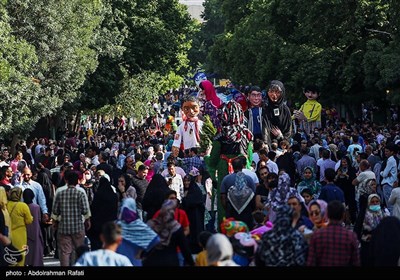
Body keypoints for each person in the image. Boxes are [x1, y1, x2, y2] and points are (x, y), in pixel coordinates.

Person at [307, 200, 360, 266]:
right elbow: (356, 262)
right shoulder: (351, 236)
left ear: (327, 214)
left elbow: (311, 262)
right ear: (343, 215)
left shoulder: (317, 235)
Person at [261, 80, 292, 148]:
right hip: (267, 146)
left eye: (277, 92)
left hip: (283, 146)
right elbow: (265, 127)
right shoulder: (265, 108)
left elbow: (289, 130)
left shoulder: (285, 110)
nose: (274, 95)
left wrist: (281, 137)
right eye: (271, 92)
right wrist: (265, 143)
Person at [7, 188, 33, 266]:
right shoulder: (23, 206)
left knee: (10, 256)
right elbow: (28, 221)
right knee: (21, 255)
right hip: (20, 233)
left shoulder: (6, 204)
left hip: (8, 234)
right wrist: (32, 218)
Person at [22, 189, 44, 266]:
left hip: (24, 231)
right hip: (35, 230)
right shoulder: (36, 207)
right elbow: (39, 219)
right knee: (36, 250)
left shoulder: (22, 206)